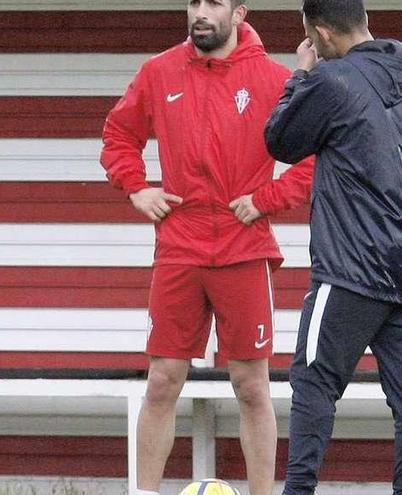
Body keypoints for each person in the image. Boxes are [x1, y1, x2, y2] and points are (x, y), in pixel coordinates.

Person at [100, 1, 314, 494]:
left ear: (239, 12)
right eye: (194, 1)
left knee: (252, 387)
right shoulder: (159, 72)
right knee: (161, 381)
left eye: (214, 2)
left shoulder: (273, 79)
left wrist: (266, 199)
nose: (201, 11)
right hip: (180, 244)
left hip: (244, 247)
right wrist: (137, 187)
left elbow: (316, 156)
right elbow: (118, 135)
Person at [263, 1, 402, 494]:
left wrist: (300, 73)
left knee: (312, 383)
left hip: (348, 272)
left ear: (323, 34)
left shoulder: (332, 82)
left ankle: (298, 491)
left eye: (312, 39)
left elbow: (280, 139)